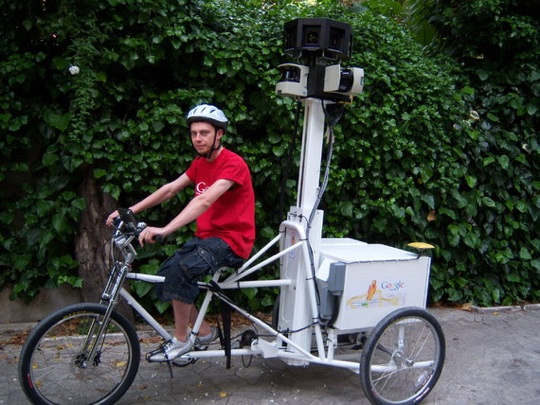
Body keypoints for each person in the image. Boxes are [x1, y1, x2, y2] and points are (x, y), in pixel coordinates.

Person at [106, 104, 255, 362]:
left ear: (219, 135)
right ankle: (205, 333)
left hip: (231, 241)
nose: (198, 138)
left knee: (182, 270)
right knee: (169, 272)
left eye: (204, 133)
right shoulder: (199, 163)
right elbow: (170, 189)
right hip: (207, 240)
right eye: (194, 133)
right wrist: (130, 210)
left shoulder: (233, 164)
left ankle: (181, 341)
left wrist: (165, 229)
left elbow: (204, 201)